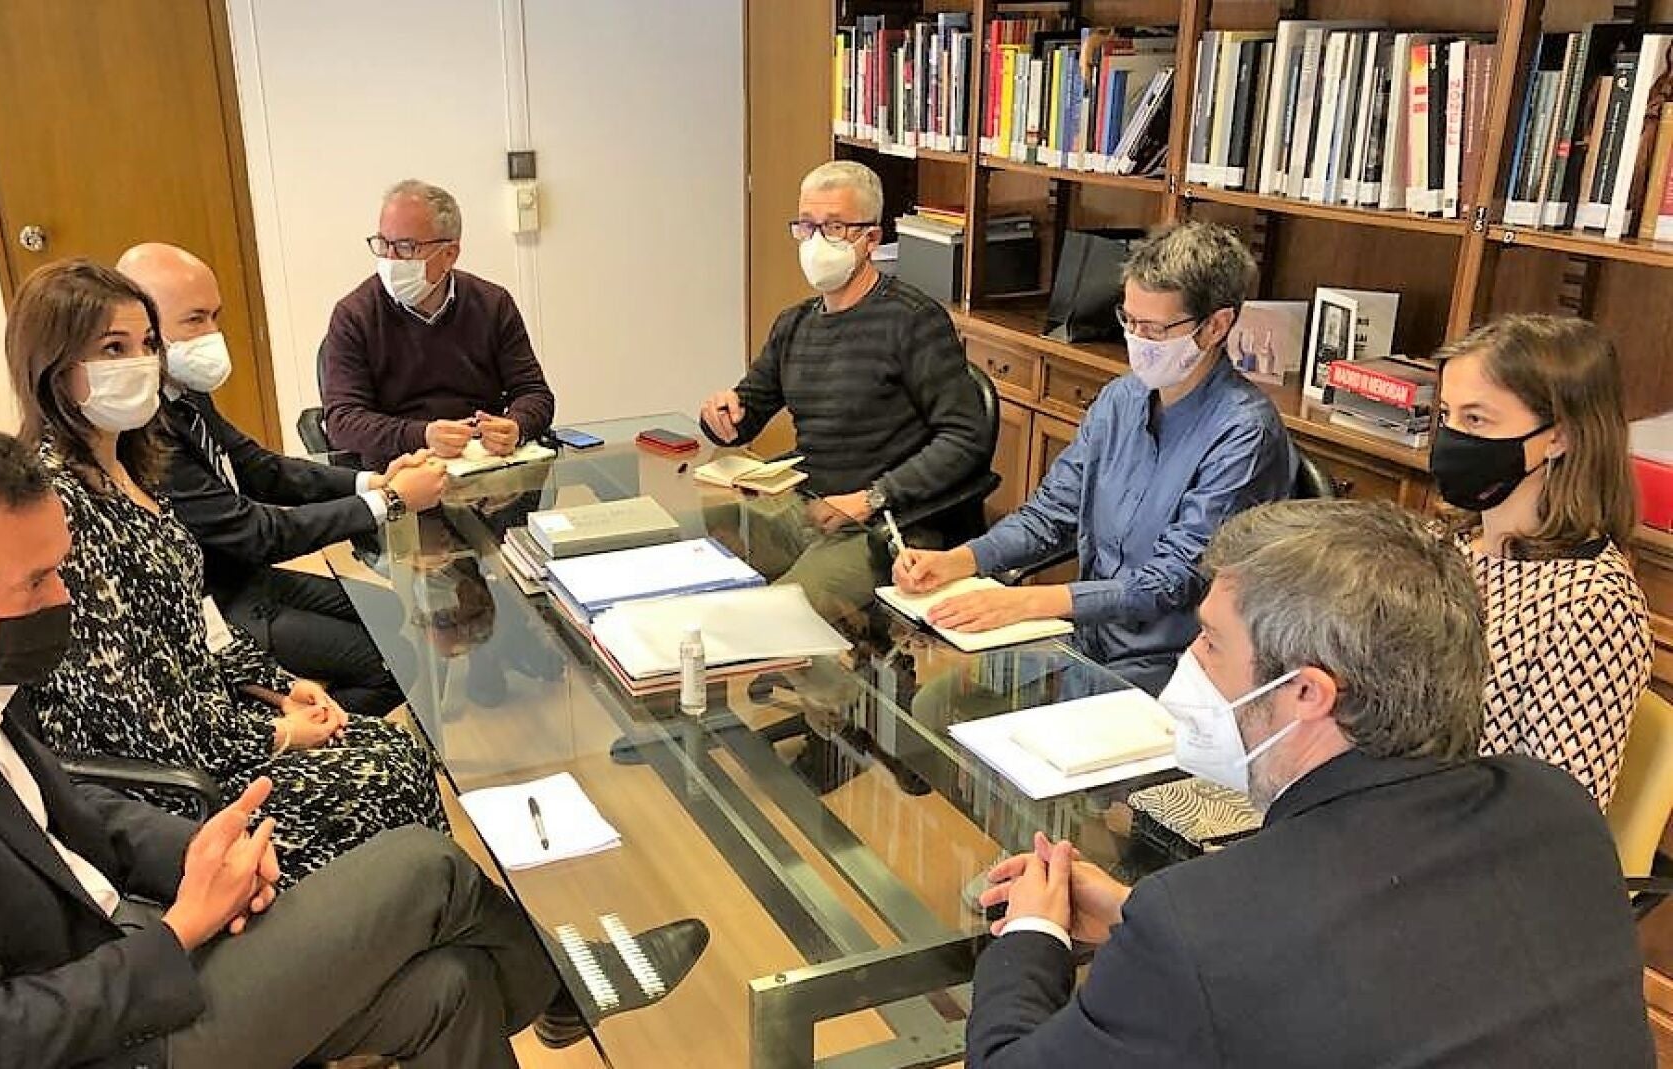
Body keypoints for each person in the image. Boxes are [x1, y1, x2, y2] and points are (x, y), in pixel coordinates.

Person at [0, 419, 567, 1068]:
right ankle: (576, 992)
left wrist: (197, 850)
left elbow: (54, 805)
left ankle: (564, 990)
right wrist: (181, 929)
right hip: (93, 1037)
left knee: (449, 985)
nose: (62, 599)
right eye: (37, 581)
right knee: (426, 867)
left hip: (114, 949)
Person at [966, 499, 1652, 1068]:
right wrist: (1135, 918)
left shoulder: (1201, 923)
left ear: (1306, 693)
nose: (1189, 662)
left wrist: (1032, 932)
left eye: (1210, 643)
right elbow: (1396, 970)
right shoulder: (1556, 809)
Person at [7, 258, 444, 884]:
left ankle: (423, 915)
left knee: (394, 748)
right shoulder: (59, 506)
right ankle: (398, 914)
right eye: (113, 349)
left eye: (147, 344)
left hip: (209, 726)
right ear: (52, 367)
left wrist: (280, 685)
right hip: (170, 784)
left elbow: (198, 620)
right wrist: (275, 735)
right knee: (389, 771)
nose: (142, 363)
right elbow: (136, 713)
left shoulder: (133, 463)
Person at [895, 221, 1294, 693]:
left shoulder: (1244, 432)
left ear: (1216, 326)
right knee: (937, 701)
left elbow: (1175, 579)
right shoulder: (1121, 400)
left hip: (1168, 666)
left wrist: (1030, 603)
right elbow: (1050, 514)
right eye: (1129, 320)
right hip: (1085, 638)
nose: (1136, 340)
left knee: (985, 724)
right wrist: (960, 560)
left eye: (1154, 329)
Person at [117, 242, 442, 718]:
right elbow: (256, 533)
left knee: (387, 611)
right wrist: (390, 502)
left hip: (242, 576)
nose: (212, 335)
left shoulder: (186, 393)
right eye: (194, 319)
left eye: (215, 316)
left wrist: (369, 483)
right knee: (393, 665)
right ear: (146, 332)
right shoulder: (144, 429)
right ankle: (294, 742)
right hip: (214, 606)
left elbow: (260, 467)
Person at [699, 160, 994, 549]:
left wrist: (872, 498)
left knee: (789, 589)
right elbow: (746, 413)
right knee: (708, 553)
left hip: (885, 522)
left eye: (835, 227)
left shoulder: (913, 320)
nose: (817, 241)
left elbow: (966, 438)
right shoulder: (795, 323)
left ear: (871, 239)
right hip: (808, 506)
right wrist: (721, 415)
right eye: (807, 226)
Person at [1433, 314, 1651, 810]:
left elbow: (1557, 817)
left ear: (1559, 437)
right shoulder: (1447, 544)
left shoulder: (1594, 607)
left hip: (1463, 844)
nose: (1451, 438)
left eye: (1476, 420)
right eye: (1446, 415)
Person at [321, 179, 555, 469]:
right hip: (400, 470)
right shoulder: (354, 315)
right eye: (383, 244)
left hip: (483, 464)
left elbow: (534, 393)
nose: (390, 259)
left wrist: (516, 426)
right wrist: (422, 435)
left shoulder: (493, 304)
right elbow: (342, 420)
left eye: (406, 247)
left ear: (449, 254)